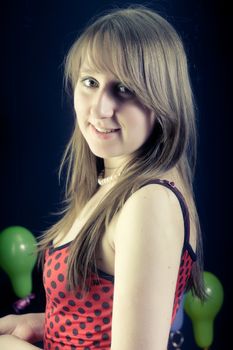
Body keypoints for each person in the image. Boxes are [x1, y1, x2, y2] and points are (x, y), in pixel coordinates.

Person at [0, 5, 206, 350]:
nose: (100, 108)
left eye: (124, 88)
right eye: (90, 82)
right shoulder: (116, 182)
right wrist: (41, 323)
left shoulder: (149, 201)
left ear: (163, 100)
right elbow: (104, 315)